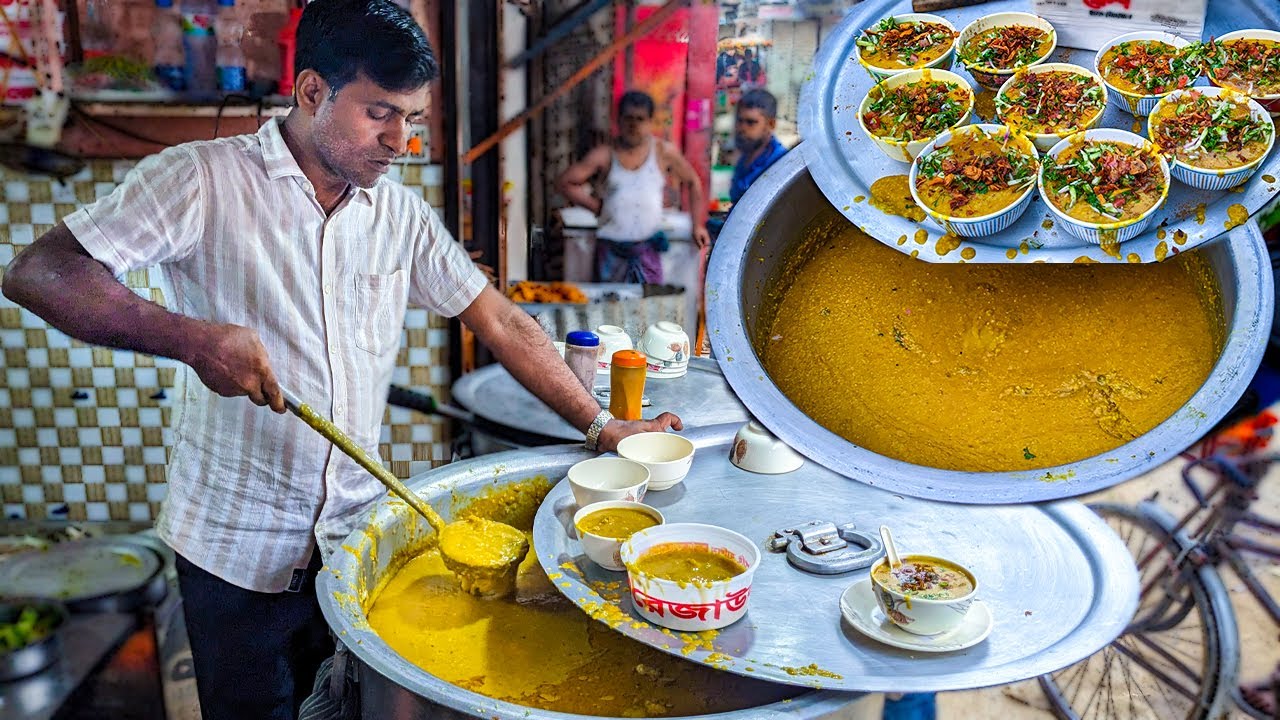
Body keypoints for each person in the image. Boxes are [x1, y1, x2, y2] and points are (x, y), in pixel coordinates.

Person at [0, 2, 681, 718]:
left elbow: (502, 322)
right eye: (381, 113)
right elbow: (40, 273)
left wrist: (602, 427)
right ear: (312, 92)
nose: (402, 141)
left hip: (357, 543)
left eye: (413, 119)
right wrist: (191, 339)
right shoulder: (203, 180)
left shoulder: (399, 215)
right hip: (236, 552)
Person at [556, 90, 711, 285]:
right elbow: (565, 182)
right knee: (607, 310)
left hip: (647, 251)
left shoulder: (663, 152)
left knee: (651, 310)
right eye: (628, 118)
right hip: (611, 250)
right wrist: (596, 206)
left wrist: (697, 225)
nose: (634, 125)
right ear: (618, 120)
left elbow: (693, 181)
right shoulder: (605, 154)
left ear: (650, 122)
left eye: (640, 119)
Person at [729, 89, 788, 205]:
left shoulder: (781, 164)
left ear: (771, 124)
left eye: (751, 122)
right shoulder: (745, 159)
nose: (742, 128)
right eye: (740, 121)